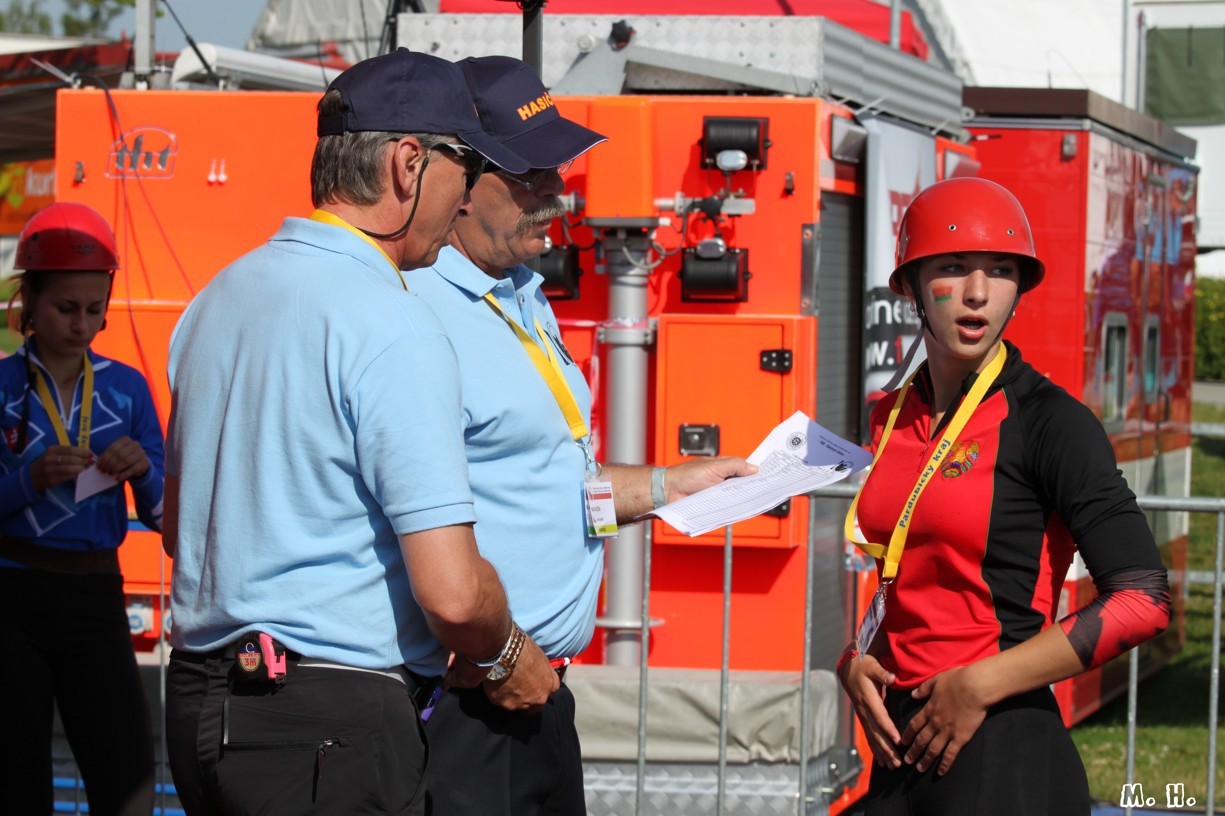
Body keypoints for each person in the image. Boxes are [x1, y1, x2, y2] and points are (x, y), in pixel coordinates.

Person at [162, 49, 548, 816]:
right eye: (467, 165)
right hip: (329, 719)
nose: (465, 195)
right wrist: (509, 652)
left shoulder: (217, 297)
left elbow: (180, 529)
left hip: (202, 702)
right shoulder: (392, 321)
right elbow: (453, 593)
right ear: (407, 164)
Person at [411, 55, 756, 816]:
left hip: (535, 689)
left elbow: (550, 482)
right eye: (529, 175)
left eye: (557, 171)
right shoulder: (418, 311)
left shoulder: (519, 293)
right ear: (455, 184)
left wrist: (669, 485)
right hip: (470, 695)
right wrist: (484, 650)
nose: (555, 193)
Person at [839, 177, 1172, 815]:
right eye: (953, 266)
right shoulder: (892, 415)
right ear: (909, 285)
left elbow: (1143, 599)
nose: (977, 292)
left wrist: (978, 684)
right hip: (900, 747)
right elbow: (909, 574)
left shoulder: (1052, 422)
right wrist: (854, 659)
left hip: (1002, 745)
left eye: (1000, 270)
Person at [0, 202, 163, 816]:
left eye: (96, 309)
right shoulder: (2, 385)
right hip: (10, 595)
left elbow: (163, 518)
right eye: (66, 308)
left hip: (95, 595)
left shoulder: (127, 388)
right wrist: (31, 479)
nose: (83, 325)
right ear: (28, 301)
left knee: (127, 785)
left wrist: (144, 472)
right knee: (16, 785)